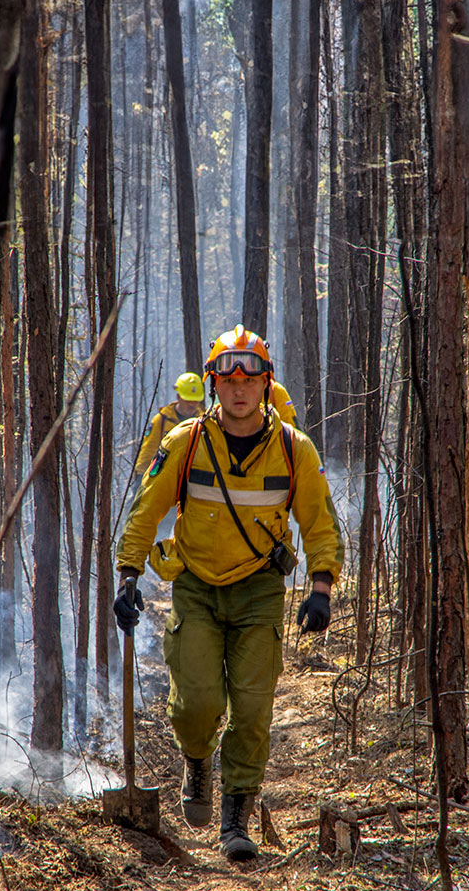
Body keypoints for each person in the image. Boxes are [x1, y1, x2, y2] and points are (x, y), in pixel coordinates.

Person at [114, 325, 343, 861]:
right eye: (228, 377)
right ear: (215, 382)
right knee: (197, 703)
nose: (239, 388)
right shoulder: (185, 442)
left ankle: (235, 819)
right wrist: (127, 573)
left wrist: (322, 587)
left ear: (266, 384)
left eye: (251, 378)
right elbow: (146, 509)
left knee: (253, 708)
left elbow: (319, 523)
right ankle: (197, 759)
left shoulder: (293, 449)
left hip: (260, 589)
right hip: (195, 585)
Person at [133, 371, 205, 475]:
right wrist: (140, 477)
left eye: (195, 400)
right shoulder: (161, 421)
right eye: (187, 400)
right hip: (165, 479)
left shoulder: (205, 422)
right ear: (178, 397)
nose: (191, 405)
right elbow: (148, 452)